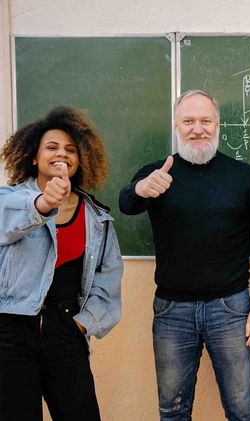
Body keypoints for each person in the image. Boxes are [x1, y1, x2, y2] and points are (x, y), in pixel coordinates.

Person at [118, 90, 250, 421]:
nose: (198, 129)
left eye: (206, 121)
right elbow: (126, 204)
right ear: (176, 125)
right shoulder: (157, 173)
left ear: (218, 125)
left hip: (231, 309)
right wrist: (140, 189)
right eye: (189, 121)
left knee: (242, 410)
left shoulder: (244, 176)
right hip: (172, 312)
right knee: (173, 413)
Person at [0, 106, 123, 421]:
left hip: (66, 331)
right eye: (51, 147)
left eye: (70, 150)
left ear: (80, 159)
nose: (61, 154)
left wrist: (83, 324)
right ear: (33, 156)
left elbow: (107, 280)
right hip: (12, 331)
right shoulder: (9, 199)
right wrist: (44, 203)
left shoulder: (97, 218)